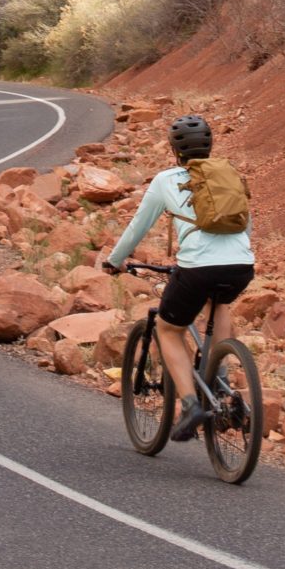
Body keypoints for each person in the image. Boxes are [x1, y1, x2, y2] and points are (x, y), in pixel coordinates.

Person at [104, 111, 254, 440]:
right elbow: (245, 224)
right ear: (210, 146)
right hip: (241, 265)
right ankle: (222, 381)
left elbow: (137, 227)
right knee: (220, 304)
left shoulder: (166, 180)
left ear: (175, 149)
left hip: (198, 266)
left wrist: (114, 260)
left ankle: (190, 405)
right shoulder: (229, 175)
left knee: (167, 329)